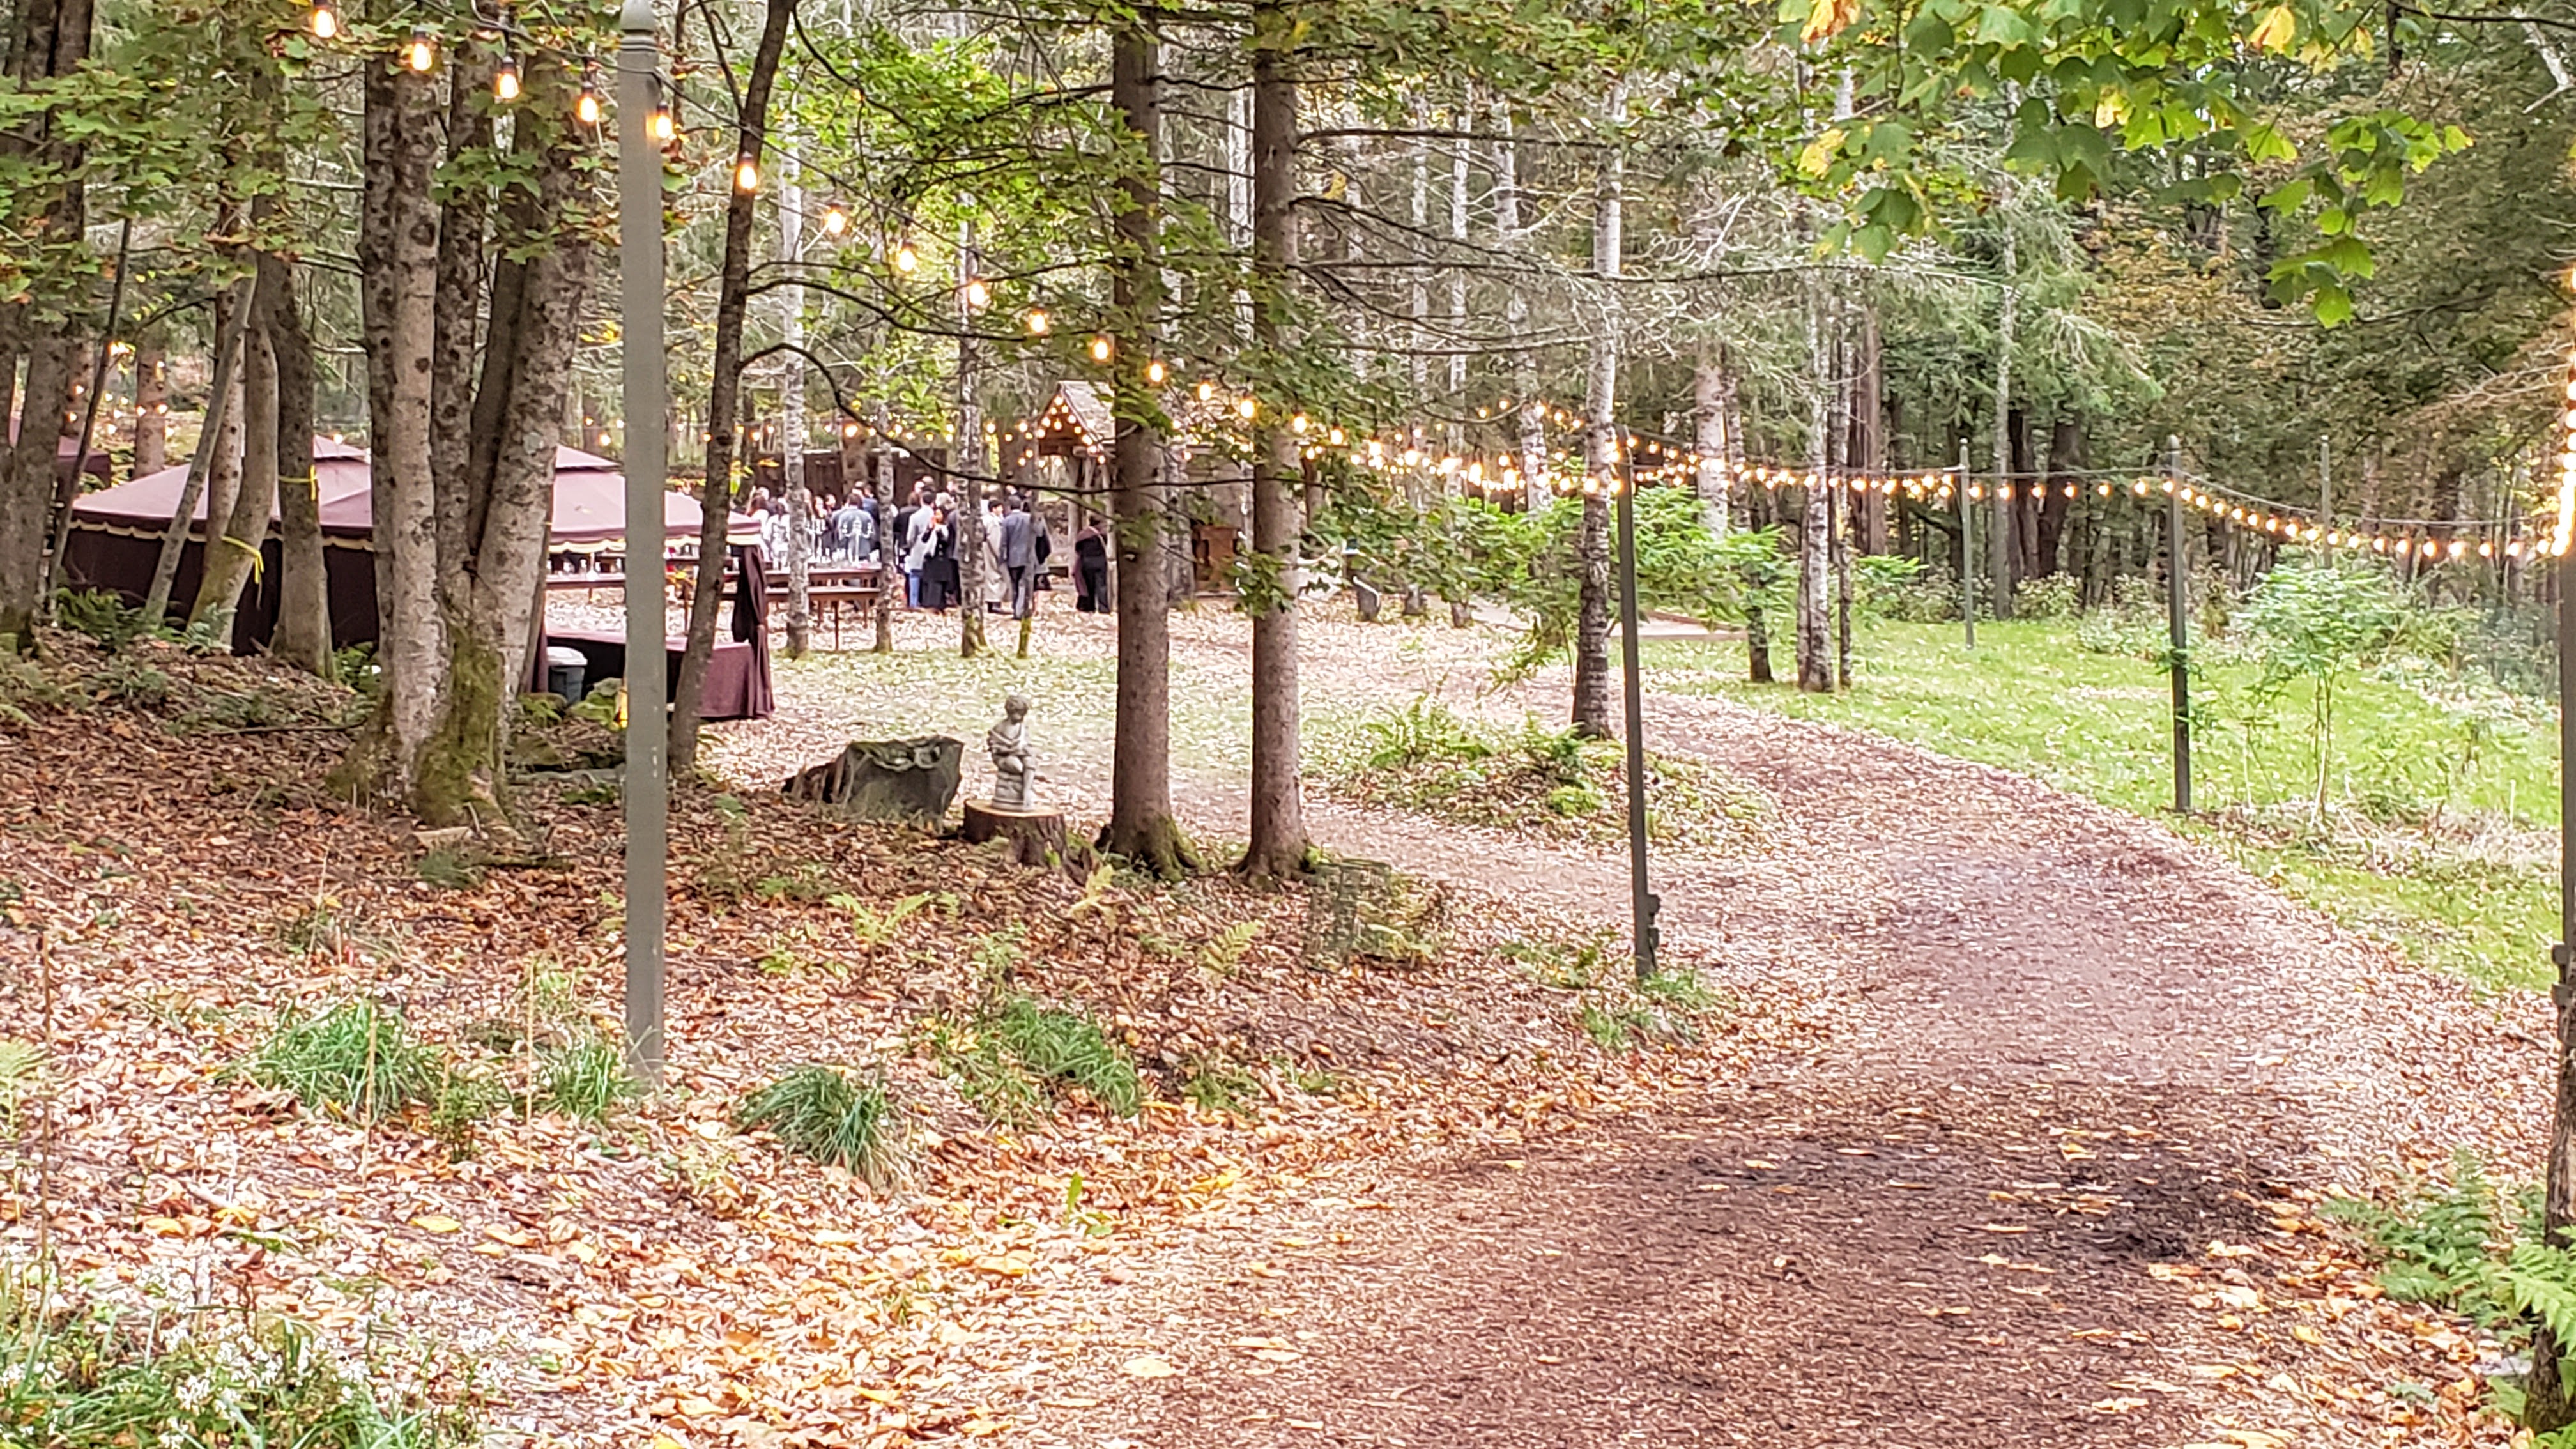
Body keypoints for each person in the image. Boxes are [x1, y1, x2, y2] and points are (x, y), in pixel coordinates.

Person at [1001, 493, 1038, 619]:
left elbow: (1004, 542)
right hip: (1028, 555)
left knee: (1014, 584)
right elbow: (1038, 534)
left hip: (1013, 557)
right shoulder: (1029, 519)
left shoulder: (1006, 521)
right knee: (1025, 583)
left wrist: (1002, 557)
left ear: (1010, 507)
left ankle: (1016, 609)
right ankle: (1023, 609)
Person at [1073, 519, 1108, 614]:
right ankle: (1103, 608)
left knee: (1089, 586)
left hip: (1087, 562)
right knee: (1102, 586)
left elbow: (1077, 548)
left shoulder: (1083, 535)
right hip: (1100, 561)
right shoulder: (1102, 535)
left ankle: (1091, 607)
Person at [981, 498, 1009, 613]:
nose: (1002, 510)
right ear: (994, 509)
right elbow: (995, 540)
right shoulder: (994, 522)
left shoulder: (984, 519)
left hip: (985, 551)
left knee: (990, 577)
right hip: (991, 552)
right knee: (995, 576)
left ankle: (991, 603)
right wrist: (1001, 555)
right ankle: (995, 604)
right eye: (1000, 508)